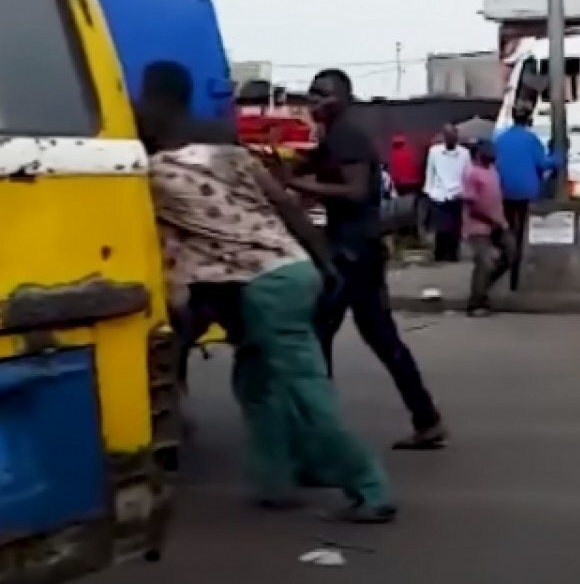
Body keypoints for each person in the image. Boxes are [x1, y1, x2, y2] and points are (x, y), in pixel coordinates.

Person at [138, 61, 395, 523]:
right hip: (288, 269)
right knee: (257, 382)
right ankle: (279, 477)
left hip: (265, 284)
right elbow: (286, 205)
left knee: (304, 388)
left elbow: (172, 253)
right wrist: (322, 261)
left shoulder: (153, 176)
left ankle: (369, 487)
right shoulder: (230, 154)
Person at [292, 69, 448, 450]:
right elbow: (320, 163)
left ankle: (323, 436)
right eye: (312, 94)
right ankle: (426, 418)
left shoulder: (346, 134)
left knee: (318, 335)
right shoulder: (336, 135)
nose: (314, 101)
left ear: (343, 98)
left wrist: (300, 185)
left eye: (323, 94)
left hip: (351, 252)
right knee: (380, 337)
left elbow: (356, 190)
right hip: (359, 249)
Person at [493, 101, 555, 290]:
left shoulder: (500, 139)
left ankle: (507, 266)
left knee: (509, 230)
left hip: (504, 192)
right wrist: (559, 156)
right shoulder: (531, 139)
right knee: (521, 235)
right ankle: (515, 275)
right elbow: (544, 163)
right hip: (526, 193)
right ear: (528, 118)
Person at [462, 139, 514, 315]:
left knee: (511, 255)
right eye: (489, 152)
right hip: (478, 227)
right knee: (485, 262)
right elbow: (472, 205)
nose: (493, 155)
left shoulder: (492, 170)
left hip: (498, 224)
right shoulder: (472, 174)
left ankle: (483, 287)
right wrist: (491, 219)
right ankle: (476, 302)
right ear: (479, 154)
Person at [424, 124, 471, 262]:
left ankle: (453, 255)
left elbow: (468, 174)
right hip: (439, 194)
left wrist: (465, 192)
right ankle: (439, 254)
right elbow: (430, 173)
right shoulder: (434, 152)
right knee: (441, 228)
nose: (451, 139)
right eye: (448, 136)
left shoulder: (464, 153)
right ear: (444, 137)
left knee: (455, 228)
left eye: (453, 136)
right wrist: (430, 192)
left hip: (457, 194)